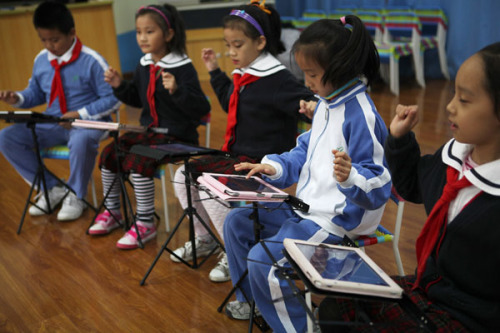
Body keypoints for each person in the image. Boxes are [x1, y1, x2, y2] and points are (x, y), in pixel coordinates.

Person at [223, 16, 392, 332]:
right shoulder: (328, 102)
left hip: (335, 222)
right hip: (307, 211)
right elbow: (304, 151)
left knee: (263, 259)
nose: (307, 82)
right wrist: (272, 166)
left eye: (312, 74)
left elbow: (379, 182)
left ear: (340, 70)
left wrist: (351, 176)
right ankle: (254, 304)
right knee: (238, 222)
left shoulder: (361, 115)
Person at [318, 42, 500, 333]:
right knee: (336, 306)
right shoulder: (455, 155)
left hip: (471, 318)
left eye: (464, 100)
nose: (450, 106)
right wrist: (400, 141)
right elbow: (413, 186)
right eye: (454, 94)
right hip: (426, 290)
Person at [170, 0, 315, 283]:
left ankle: (232, 251)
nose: (231, 52)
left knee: (208, 185)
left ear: (260, 42)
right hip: (236, 158)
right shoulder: (246, 73)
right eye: (228, 45)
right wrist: (214, 71)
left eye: (237, 45)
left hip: (261, 165)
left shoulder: (277, 79)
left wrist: (310, 106)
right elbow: (231, 101)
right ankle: (207, 239)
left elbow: (305, 100)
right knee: (181, 176)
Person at [87, 4, 210, 250]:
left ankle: (145, 223)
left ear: (168, 34)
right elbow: (137, 98)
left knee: (138, 161)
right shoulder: (144, 65)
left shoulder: (182, 67)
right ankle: (113, 212)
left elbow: (199, 109)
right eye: (139, 32)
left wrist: (177, 90)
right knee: (110, 154)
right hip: (150, 133)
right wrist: (120, 85)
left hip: (178, 136)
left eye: (149, 31)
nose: (142, 37)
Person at [0, 1, 120, 221]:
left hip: (88, 124)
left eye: (54, 39)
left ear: (71, 33)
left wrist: (80, 114)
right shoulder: (41, 60)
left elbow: (113, 98)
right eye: (43, 40)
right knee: (7, 137)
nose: (49, 46)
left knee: (81, 140)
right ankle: (51, 188)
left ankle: (76, 194)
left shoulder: (91, 61)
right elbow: (35, 93)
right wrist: (17, 98)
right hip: (53, 122)